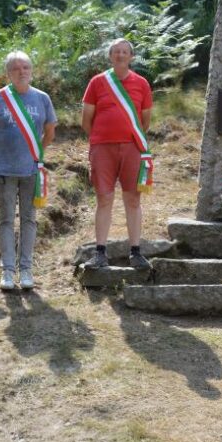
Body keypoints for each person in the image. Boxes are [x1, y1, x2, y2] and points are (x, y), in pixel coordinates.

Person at [0, 51, 57, 291]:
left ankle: (26, 269)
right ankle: (7, 271)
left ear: (31, 70)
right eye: (16, 68)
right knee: (5, 220)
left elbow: (50, 132)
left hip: (31, 170)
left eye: (25, 67)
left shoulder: (42, 98)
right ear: (8, 73)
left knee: (29, 219)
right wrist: (1, 154)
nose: (21, 71)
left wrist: (35, 155)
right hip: (4, 171)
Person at [80, 39, 154, 270]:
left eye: (125, 52)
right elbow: (86, 120)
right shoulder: (97, 82)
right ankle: (100, 252)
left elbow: (145, 120)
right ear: (110, 56)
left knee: (133, 199)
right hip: (103, 148)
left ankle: (136, 252)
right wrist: (102, 138)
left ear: (131, 56)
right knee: (104, 198)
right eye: (116, 52)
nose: (120, 55)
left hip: (132, 147)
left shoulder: (142, 84)